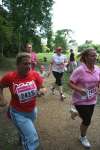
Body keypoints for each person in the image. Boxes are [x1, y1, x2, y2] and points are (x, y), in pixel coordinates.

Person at [0, 52, 43, 150]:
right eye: (25, 63)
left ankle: (22, 137)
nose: (28, 66)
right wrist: (1, 98)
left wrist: (41, 91)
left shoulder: (35, 75)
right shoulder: (10, 77)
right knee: (32, 138)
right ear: (18, 65)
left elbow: (43, 88)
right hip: (17, 113)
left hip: (32, 111)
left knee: (25, 131)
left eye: (30, 63)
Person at [69, 48, 100, 148]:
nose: (94, 57)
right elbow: (70, 83)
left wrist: (98, 89)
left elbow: (98, 82)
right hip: (80, 100)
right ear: (86, 57)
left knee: (86, 117)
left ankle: (75, 112)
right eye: (92, 55)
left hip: (92, 99)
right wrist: (79, 89)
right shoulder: (79, 70)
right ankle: (83, 137)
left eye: (95, 55)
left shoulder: (98, 69)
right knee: (87, 120)